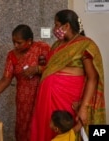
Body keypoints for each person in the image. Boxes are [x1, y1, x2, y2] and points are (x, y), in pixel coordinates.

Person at [30, 9, 106, 141]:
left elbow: (93, 77)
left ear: (66, 26)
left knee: (69, 133)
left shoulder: (86, 44)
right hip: (47, 100)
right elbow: (52, 68)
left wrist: (83, 107)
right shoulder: (56, 45)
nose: (55, 28)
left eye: (57, 25)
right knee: (48, 131)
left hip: (69, 100)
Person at [0, 24, 51, 141]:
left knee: (42, 125)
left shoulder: (42, 48)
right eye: (13, 42)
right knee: (23, 128)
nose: (15, 45)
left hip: (43, 95)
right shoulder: (12, 55)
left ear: (29, 41)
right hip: (23, 100)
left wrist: (38, 69)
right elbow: (6, 79)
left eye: (19, 42)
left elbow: (56, 68)